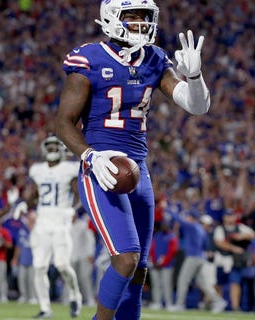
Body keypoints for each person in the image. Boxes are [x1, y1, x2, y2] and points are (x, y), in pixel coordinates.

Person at [55, 0, 210, 318]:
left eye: (144, 17)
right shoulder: (89, 58)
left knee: (139, 268)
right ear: (111, 19)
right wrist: (90, 155)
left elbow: (197, 106)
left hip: (138, 169)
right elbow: (62, 122)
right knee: (125, 258)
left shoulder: (154, 58)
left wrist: (195, 78)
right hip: (103, 168)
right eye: (132, 17)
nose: (140, 23)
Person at [26, 135, 83, 318]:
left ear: (61, 149)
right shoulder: (38, 170)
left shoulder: (68, 169)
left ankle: (75, 295)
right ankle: (45, 308)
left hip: (61, 220)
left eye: (54, 146)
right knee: (39, 266)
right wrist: (23, 203)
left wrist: (72, 211)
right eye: (48, 147)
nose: (51, 150)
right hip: (42, 220)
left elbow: (80, 196)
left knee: (62, 265)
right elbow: (33, 195)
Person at [212, 212, 255, 311]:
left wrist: (241, 236)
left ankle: (235, 306)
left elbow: (253, 234)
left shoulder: (239, 227)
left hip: (234, 261)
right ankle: (218, 304)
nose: (229, 218)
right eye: (227, 216)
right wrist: (233, 248)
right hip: (221, 259)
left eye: (231, 216)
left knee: (235, 283)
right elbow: (219, 243)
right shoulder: (220, 229)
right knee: (218, 284)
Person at [148, 218, 178, 311]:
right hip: (155, 264)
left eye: (166, 225)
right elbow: (152, 249)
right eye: (163, 225)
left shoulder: (172, 237)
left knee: (166, 284)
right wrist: (153, 261)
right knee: (156, 284)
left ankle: (168, 303)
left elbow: (172, 252)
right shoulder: (157, 235)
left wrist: (163, 262)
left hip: (167, 265)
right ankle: (157, 302)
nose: (164, 226)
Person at [70, 211, 96, 307]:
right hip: (72, 256)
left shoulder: (83, 224)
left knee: (85, 278)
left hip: (84, 256)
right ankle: (70, 300)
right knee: (70, 279)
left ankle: (90, 299)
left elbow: (90, 239)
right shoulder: (66, 226)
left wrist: (90, 253)